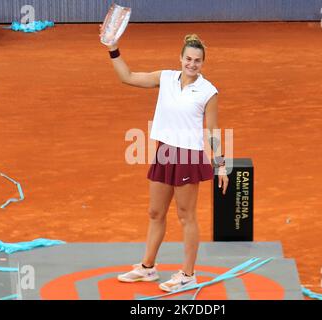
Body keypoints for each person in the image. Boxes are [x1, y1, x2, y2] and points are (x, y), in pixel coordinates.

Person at [99, 27, 229, 292]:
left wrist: (221, 165)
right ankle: (147, 268)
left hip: (188, 156)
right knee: (155, 212)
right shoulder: (166, 78)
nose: (192, 64)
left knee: (186, 216)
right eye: (188, 59)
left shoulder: (208, 91)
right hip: (165, 151)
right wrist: (112, 47)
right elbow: (128, 77)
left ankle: (188, 274)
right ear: (180, 58)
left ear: (203, 63)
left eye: (197, 60)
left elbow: (214, 131)